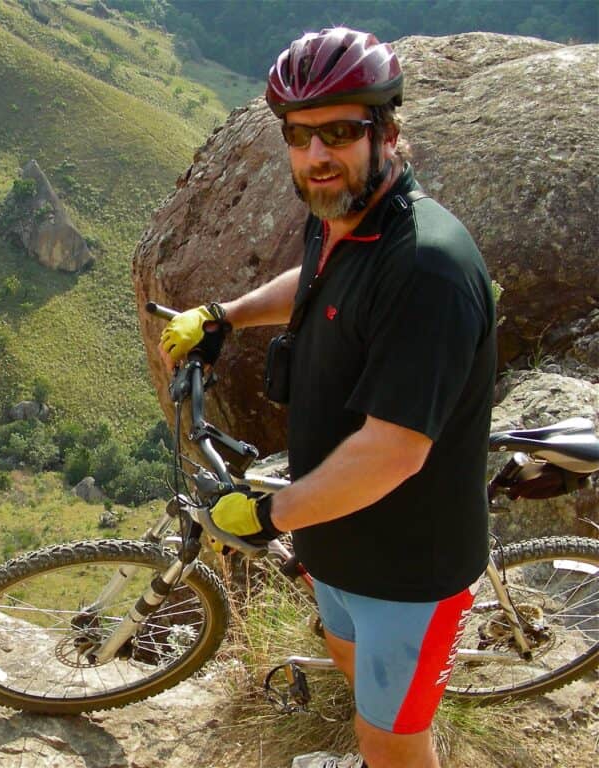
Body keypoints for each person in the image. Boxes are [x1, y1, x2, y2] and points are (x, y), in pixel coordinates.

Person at [158, 27, 497, 768]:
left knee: (394, 738)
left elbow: (394, 450)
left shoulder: (427, 269)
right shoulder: (341, 219)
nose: (317, 156)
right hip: (335, 538)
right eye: (301, 135)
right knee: (348, 663)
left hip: (410, 567)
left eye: (341, 132)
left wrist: (271, 512)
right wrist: (228, 315)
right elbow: (313, 289)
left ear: (388, 132)